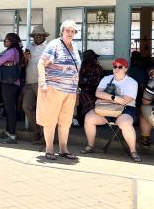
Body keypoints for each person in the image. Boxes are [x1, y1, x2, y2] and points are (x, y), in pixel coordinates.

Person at [81, 58, 142, 162]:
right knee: (89, 118)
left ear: (126, 69)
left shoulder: (132, 82)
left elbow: (126, 100)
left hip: (125, 109)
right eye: (115, 66)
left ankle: (133, 151)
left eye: (120, 67)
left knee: (125, 123)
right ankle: (90, 145)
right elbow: (98, 93)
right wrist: (115, 98)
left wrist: (105, 97)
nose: (116, 69)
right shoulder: (106, 78)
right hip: (106, 109)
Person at [37, 20, 81, 160]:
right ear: (62, 31)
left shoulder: (74, 46)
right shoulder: (54, 45)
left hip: (70, 91)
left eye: (72, 31)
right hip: (53, 88)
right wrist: (43, 83)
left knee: (66, 121)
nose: (70, 33)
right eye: (67, 30)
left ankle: (63, 149)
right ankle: (49, 149)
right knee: (50, 120)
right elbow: (41, 63)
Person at [0, 33, 24, 144]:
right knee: (9, 109)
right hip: (13, 82)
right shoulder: (16, 51)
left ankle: (12, 135)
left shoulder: (11, 52)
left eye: (6, 40)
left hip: (9, 83)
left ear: (12, 41)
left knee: (10, 110)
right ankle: (8, 131)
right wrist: (6, 63)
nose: (4, 42)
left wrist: (2, 62)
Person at [22, 26, 49, 144]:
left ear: (44, 36)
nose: (37, 37)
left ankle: (45, 136)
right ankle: (36, 130)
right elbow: (24, 64)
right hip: (29, 81)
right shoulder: (29, 46)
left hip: (42, 82)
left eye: (39, 35)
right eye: (35, 36)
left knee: (43, 109)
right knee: (26, 106)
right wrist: (25, 59)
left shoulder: (49, 47)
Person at [77, 50, 105, 126]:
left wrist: (86, 83)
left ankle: (89, 119)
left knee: (84, 96)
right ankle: (83, 120)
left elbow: (97, 82)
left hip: (96, 90)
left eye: (94, 58)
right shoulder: (82, 67)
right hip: (86, 89)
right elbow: (79, 80)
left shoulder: (97, 68)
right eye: (93, 58)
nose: (95, 60)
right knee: (80, 95)